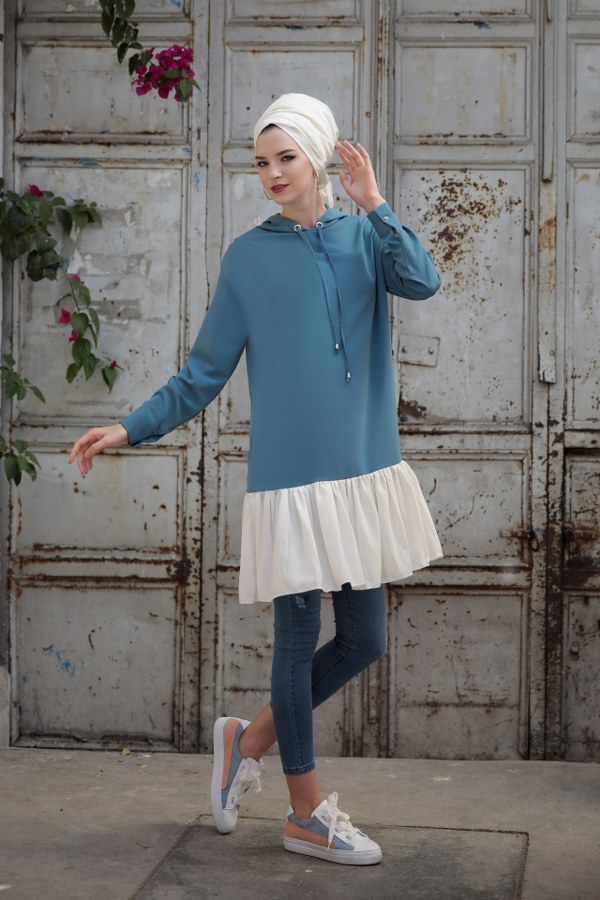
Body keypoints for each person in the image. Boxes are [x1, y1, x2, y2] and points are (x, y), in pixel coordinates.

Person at [69, 93, 442, 866]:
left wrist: (375, 203)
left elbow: (423, 280)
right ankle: (305, 814)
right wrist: (129, 426)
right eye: (262, 162)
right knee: (297, 643)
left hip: (363, 472)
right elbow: (202, 373)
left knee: (364, 640)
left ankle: (246, 740)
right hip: (290, 482)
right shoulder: (247, 258)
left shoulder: (365, 237)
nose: (272, 173)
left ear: (319, 156)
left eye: (286, 157)